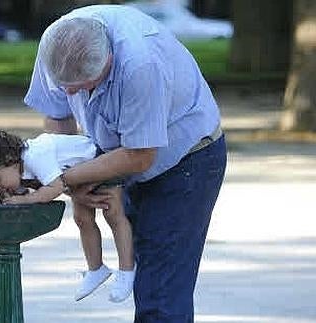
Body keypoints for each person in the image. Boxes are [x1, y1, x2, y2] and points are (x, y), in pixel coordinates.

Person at [23, 4, 227, 322]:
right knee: (148, 281)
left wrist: (64, 182)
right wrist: (74, 181)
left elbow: (140, 156)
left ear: (108, 61)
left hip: (186, 161)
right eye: (64, 86)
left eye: (81, 86)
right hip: (119, 155)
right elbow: (58, 121)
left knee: (160, 293)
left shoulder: (140, 65)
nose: (71, 93)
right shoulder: (57, 42)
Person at [0, 128, 135, 302]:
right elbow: (31, 188)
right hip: (77, 176)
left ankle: (127, 270)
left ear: (9, 160)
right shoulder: (18, 167)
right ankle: (96, 269)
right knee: (82, 219)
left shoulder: (36, 156)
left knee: (113, 215)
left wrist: (24, 200)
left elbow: (55, 187)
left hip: (98, 162)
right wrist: (4, 196)